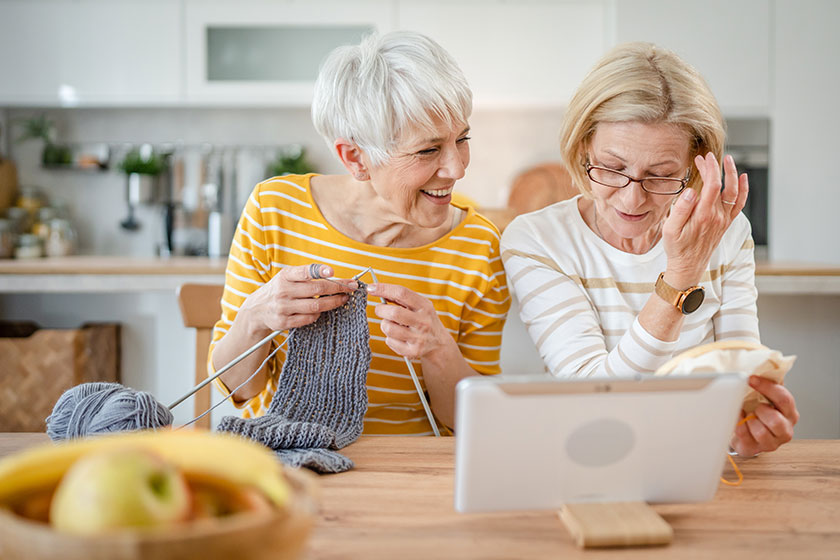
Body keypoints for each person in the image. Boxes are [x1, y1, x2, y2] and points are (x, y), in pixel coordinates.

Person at [500, 42, 797, 456]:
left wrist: (749, 431)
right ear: (584, 145)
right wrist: (681, 277)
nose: (631, 200)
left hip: (698, 463)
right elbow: (594, 396)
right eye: (613, 168)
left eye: (660, 175)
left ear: (696, 165)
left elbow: (738, 380)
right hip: (588, 459)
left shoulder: (726, 233)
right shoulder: (537, 240)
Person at [209, 31, 509, 435]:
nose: (457, 168)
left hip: (416, 473)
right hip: (286, 461)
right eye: (428, 150)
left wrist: (439, 350)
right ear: (356, 158)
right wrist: (256, 318)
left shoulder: (479, 247)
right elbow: (239, 389)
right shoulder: (273, 210)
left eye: (462, 139)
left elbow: (478, 425)